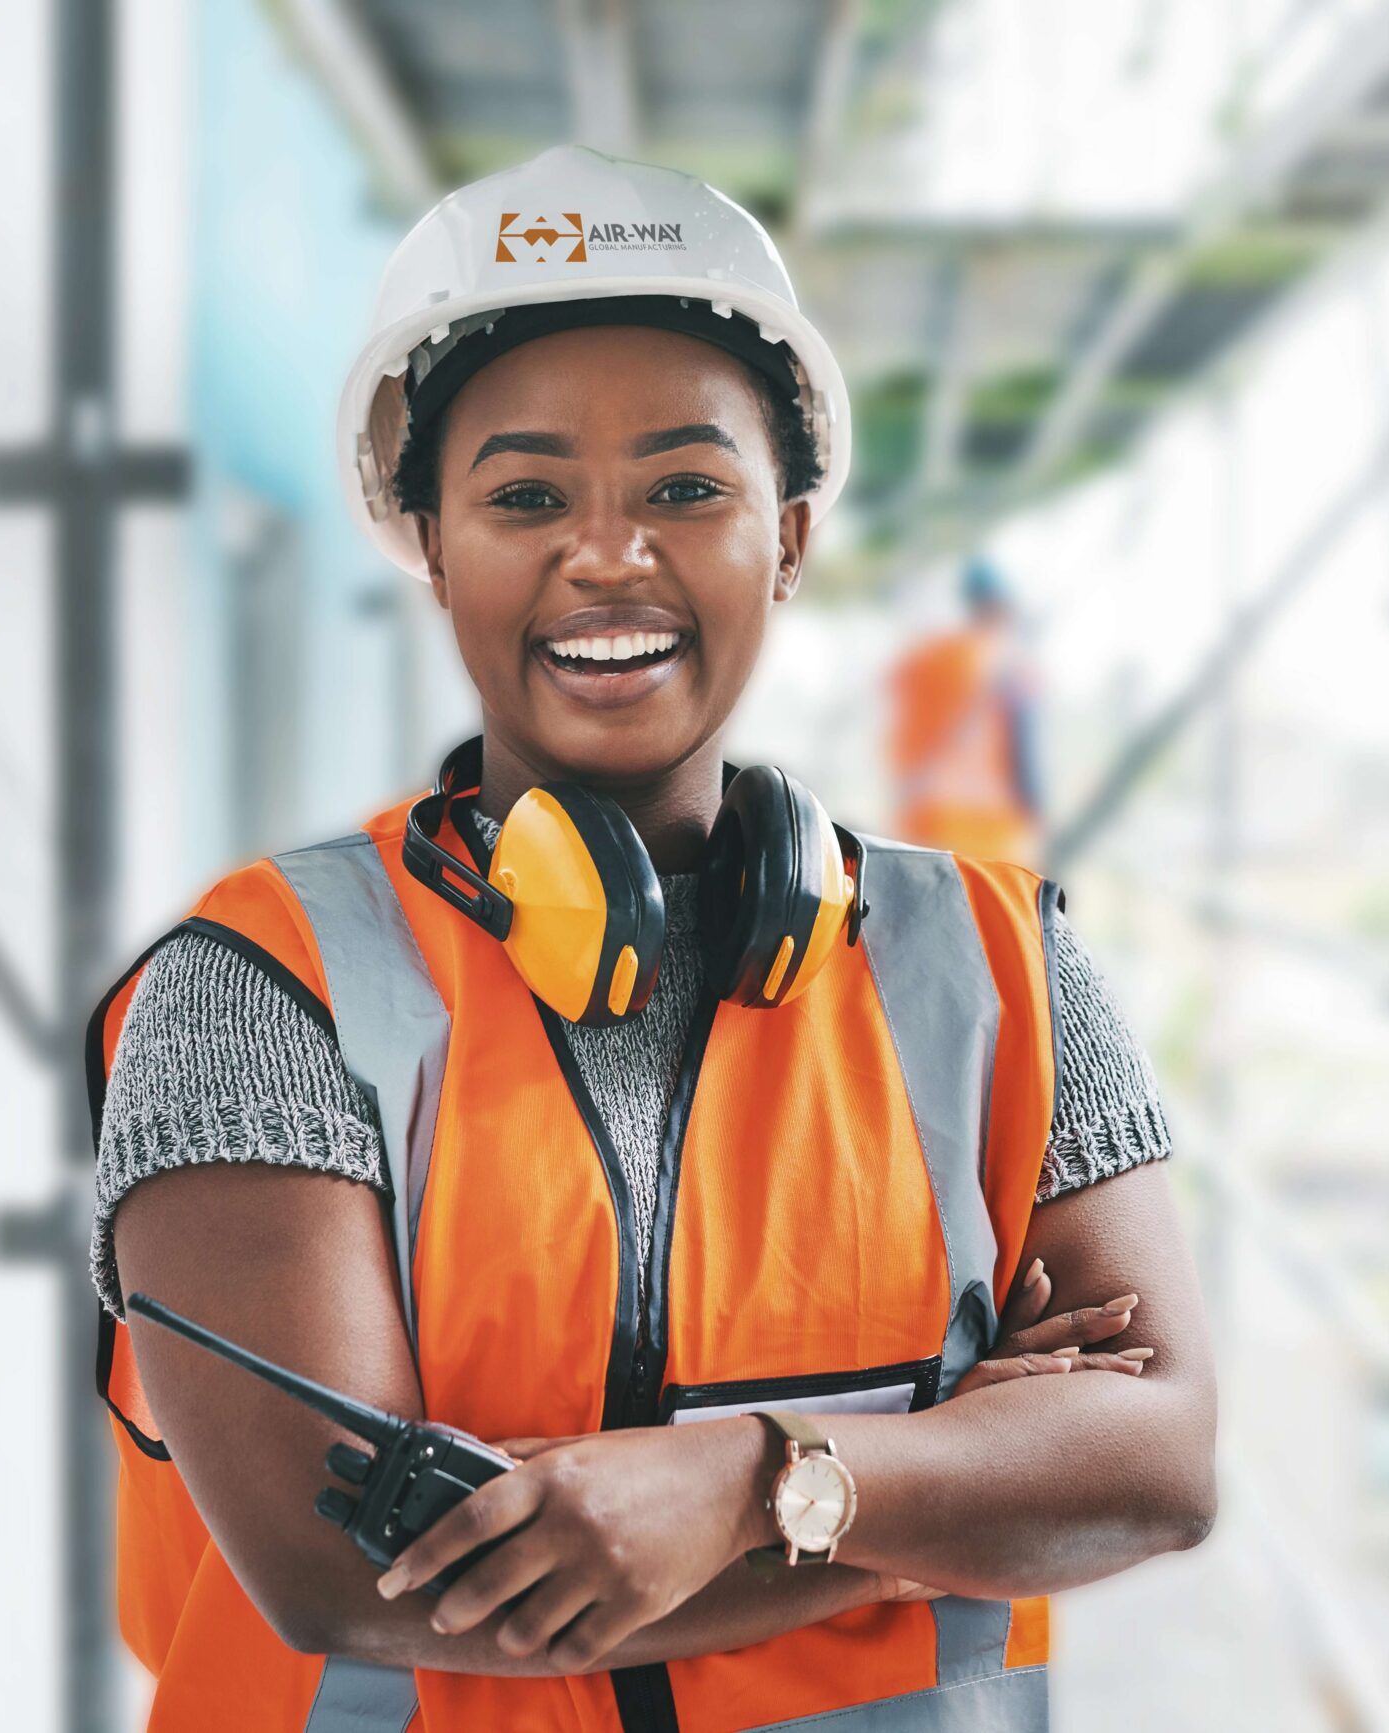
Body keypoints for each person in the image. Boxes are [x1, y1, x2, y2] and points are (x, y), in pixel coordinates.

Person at [86, 146, 1210, 1733]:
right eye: (525, 494)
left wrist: (742, 1485)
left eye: (689, 486)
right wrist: (939, 1464)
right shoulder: (259, 986)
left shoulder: (997, 962)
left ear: (791, 536)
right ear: (428, 540)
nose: (609, 555)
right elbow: (352, 1576)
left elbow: (1159, 1463)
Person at [886, 556, 1044, 867]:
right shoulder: (1014, 666)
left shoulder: (925, 659)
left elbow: (902, 736)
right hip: (993, 833)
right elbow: (1026, 760)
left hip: (925, 822)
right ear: (1002, 605)